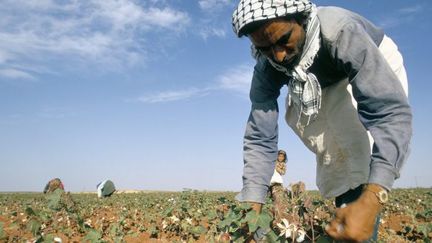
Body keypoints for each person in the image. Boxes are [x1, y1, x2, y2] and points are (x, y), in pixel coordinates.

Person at [231, 0, 412, 241]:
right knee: (336, 158)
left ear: (301, 19)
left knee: (357, 152)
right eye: (265, 48)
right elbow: (260, 139)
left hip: (373, 65)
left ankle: (360, 216)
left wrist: (374, 197)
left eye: (284, 39)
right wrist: (252, 206)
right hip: (315, 80)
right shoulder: (268, 67)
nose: (279, 55)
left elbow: (388, 113)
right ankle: (347, 214)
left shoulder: (340, 33)